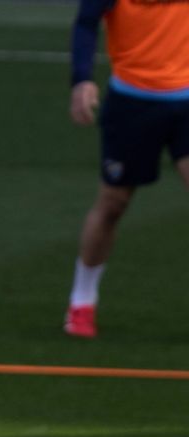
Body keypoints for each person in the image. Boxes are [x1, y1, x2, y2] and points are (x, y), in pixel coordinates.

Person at [62, 0, 189, 338]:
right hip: (132, 104)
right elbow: (87, 21)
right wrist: (81, 79)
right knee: (113, 203)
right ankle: (82, 301)